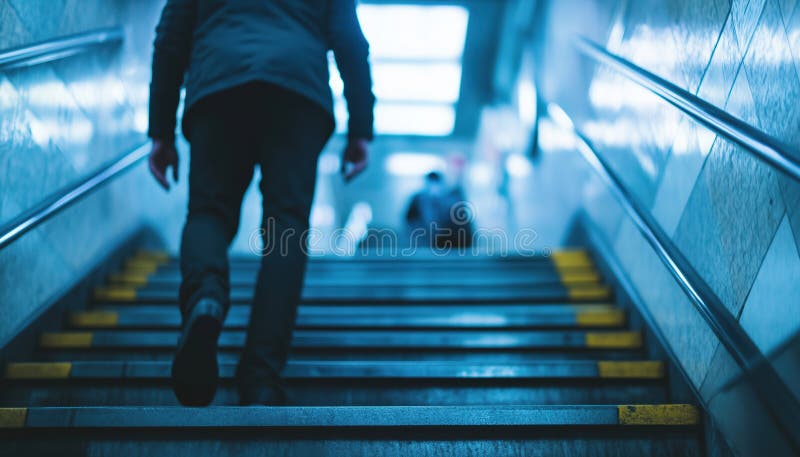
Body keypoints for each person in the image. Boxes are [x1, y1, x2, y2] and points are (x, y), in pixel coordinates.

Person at [147, 0, 375, 406]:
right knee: (286, 230)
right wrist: (361, 127)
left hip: (219, 84)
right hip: (297, 92)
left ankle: (206, 297)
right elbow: (350, 41)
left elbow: (170, 39)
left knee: (208, 212)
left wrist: (160, 130)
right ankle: (261, 377)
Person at [405, 172, 474, 249]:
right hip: (427, 243)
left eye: (435, 184)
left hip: (451, 244)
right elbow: (409, 220)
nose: (434, 189)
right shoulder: (418, 199)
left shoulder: (450, 200)